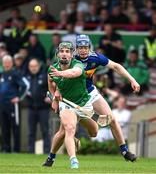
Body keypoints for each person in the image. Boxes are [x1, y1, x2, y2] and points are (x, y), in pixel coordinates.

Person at [43, 35, 140, 167]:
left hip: (89, 93)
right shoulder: (70, 57)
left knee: (110, 119)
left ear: (89, 48)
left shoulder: (96, 58)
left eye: (86, 47)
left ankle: (125, 151)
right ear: (76, 49)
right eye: (80, 47)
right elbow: (58, 77)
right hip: (71, 97)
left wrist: (132, 80)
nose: (83, 50)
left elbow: (116, 66)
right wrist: (57, 92)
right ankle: (51, 157)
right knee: (65, 130)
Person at [43, 41, 98, 169]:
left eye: (67, 52)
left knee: (94, 132)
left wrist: (60, 74)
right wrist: (54, 99)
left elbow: (75, 73)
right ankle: (73, 161)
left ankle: (52, 156)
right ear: (57, 54)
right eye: (62, 51)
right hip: (66, 105)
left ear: (72, 54)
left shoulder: (77, 64)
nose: (64, 54)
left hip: (83, 103)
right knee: (69, 128)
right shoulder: (52, 69)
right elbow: (50, 83)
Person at [0, 55, 29, 152]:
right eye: (5, 62)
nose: (6, 64)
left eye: (8, 62)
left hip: (13, 105)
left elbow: (25, 86)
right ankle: (6, 149)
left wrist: (19, 97)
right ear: (2, 64)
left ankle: (16, 149)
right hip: (2, 105)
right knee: (4, 127)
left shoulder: (15, 73)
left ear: (11, 63)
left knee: (15, 127)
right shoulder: (2, 74)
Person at [25, 58, 51, 153]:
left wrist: (50, 97)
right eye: (31, 66)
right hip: (31, 108)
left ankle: (47, 151)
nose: (33, 68)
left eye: (35, 66)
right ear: (29, 67)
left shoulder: (44, 76)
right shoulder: (26, 77)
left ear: (38, 66)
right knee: (31, 132)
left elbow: (52, 89)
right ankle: (30, 152)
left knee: (45, 131)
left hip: (43, 108)